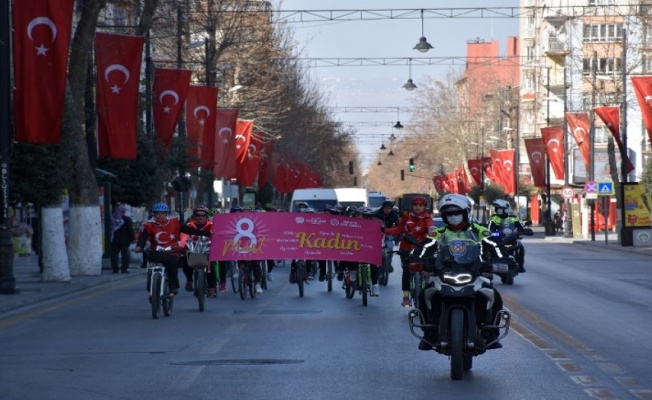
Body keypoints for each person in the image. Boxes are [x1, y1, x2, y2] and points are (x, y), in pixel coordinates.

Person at [416, 194, 506, 351]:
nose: (453, 217)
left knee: (495, 296)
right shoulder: (438, 232)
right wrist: (416, 259)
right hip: (444, 273)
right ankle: (429, 332)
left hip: (474, 273)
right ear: (443, 216)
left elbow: (494, 245)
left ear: (465, 212)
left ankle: (491, 332)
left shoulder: (479, 231)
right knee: (423, 295)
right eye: (448, 214)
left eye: (456, 213)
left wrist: (501, 259)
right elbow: (424, 247)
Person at [134, 203, 211, 295]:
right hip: (156, 251)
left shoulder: (174, 223)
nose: (160, 215)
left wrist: (208, 234)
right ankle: (152, 287)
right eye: (157, 213)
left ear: (166, 214)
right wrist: (139, 246)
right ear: (153, 214)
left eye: (162, 213)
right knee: (151, 263)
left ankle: (173, 286)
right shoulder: (149, 225)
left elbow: (189, 230)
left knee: (173, 265)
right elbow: (143, 237)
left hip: (172, 251)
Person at [383, 196, 434, 307]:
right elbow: (399, 229)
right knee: (406, 271)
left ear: (424, 207)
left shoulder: (427, 218)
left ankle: (427, 291)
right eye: (415, 205)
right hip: (406, 248)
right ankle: (406, 297)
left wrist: (432, 231)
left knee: (427, 270)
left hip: (421, 249)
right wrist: (385, 231)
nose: (417, 208)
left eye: (420, 206)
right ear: (412, 206)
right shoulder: (406, 217)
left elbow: (431, 228)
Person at [180, 205, 218, 297]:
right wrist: (182, 246)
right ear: (194, 216)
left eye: (203, 215)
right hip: (192, 251)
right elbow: (183, 238)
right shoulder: (189, 226)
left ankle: (211, 288)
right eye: (198, 215)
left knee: (210, 267)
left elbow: (218, 238)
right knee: (185, 261)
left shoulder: (213, 225)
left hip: (208, 250)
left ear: (206, 216)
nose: (200, 217)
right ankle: (189, 280)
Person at [487, 199, 527, 273]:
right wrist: (490, 233)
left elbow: (520, 227)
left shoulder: (513, 218)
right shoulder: (494, 218)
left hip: (510, 238)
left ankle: (520, 266)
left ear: (505, 209)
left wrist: (522, 231)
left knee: (520, 247)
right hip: (498, 239)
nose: (496, 210)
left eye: (498, 208)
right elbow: (489, 228)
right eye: (496, 208)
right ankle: (487, 266)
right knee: (487, 248)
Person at [374, 200, 400, 273]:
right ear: (383, 208)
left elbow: (398, 226)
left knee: (390, 247)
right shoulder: (377, 214)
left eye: (389, 208)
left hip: (389, 234)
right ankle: (375, 263)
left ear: (391, 208)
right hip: (378, 234)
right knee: (376, 249)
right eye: (385, 208)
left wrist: (397, 235)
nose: (387, 210)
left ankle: (388, 264)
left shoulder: (394, 215)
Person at [110, 203, 135, 274]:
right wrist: (133, 238)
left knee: (114, 255)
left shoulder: (112, 219)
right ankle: (124, 269)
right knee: (125, 255)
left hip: (114, 240)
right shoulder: (127, 219)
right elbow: (130, 230)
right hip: (124, 241)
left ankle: (115, 269)